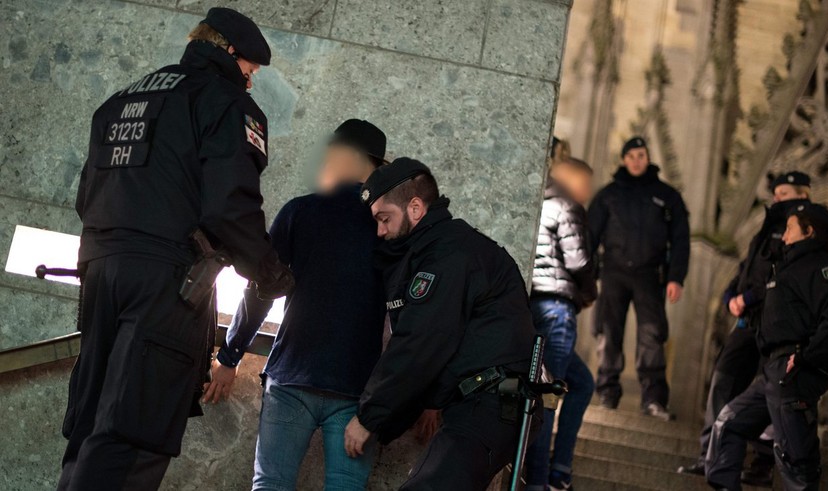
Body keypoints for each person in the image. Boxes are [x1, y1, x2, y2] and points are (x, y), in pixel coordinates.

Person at [59, 8, 293, 490]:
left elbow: (87, 196)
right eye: (249, 72)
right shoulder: (224, 102)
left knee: (90, 426)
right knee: (132, 431)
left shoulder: (123, 99)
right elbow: (230, 206)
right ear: (229, 53)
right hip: (165, 283)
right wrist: (268, 272)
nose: (249, 84)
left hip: (101, 273)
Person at [203, 120, 389, 490]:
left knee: (270, 484)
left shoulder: (300, 211)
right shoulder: (389, 226)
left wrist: (230, 355)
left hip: (291, 377)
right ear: (378, 167)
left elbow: (261, 289)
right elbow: (409, 320)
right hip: (357, 390)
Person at [344, 158, 538, 490]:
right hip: (486, 403)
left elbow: (420, 341)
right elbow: (457, 338)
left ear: (416, 208)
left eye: (384, 218)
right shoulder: (441, 247)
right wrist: (429, 401)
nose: (379, 231)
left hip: (490, 405)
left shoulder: (446, 256)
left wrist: (368, 417)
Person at [705, 203, 828, 491]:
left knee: (795, 459)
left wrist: (804, 358)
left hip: (795, 370)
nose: (784, 236)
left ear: (809, 231)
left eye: (789, 229)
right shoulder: (784, 267)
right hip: (773, 369)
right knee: (728, 423)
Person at [678, 171, 811, 485]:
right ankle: (710, 455)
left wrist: (747, 297)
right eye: (776, 193)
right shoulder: (766, 229)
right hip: (748, 321)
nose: (777, 199)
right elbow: (745, 269)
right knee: (723, 379)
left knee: (771, 392)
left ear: (802, 196)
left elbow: (787, 278)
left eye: (785, 193)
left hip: (777, 323)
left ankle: (763, 463)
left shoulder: (802, 232)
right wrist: (730, 297)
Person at [587, 136, 690, 419]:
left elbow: (680, 239)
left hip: (650, 275)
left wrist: (676, 277)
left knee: (652, 335)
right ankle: (607, 392)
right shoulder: (608, 195)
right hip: (613, 274)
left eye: (641, 155)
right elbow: (589, 237)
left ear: (648, 158)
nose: (636, 161)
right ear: (623, 160)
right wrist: (589, 273)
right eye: (631, 156)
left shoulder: (667, 196)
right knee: (608, 333)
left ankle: (653, 399)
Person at [525, 156, 597, 491]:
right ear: (574, 180)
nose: (588, 193)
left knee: (580, 383)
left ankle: (559, 468)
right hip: (557, 311)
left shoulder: (539, 200)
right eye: (587, 184)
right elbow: (579, 259)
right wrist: (588, 292)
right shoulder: (568, 205)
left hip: (535, 306)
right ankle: (541, 480)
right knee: (548, 396)